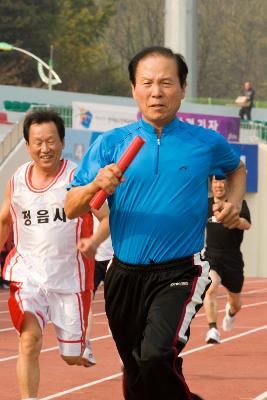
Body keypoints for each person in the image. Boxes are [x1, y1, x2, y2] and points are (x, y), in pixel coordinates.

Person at [64, 46, 247, 400]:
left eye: (166, 83)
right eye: (147, 83)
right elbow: (71, 207)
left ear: (182, 87)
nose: (156, 92)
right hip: (124, 274)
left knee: (155, 356)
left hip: (179, 272)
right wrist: (95, 185)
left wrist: (235, 202)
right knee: (138, 372)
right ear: (134, 89)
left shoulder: (204, 142)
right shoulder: (110, 144)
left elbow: (235, 167)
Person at [0, 109, 109, 400]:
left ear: (62, 142)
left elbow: (107, 218)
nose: (44, 148)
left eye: (50, 141)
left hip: (70, 281)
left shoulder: (78, 178)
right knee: (29, 339)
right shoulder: (18, 179)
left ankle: (78, 347)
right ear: (27, 146)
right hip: (28, 274)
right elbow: (4, 220)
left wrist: (94, 241)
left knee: (71, 356)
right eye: (37, 142)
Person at [204, 176, 251, 344]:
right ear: (212, 184)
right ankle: (212, 329)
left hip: (233, 259)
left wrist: (233, 219)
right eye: (216, 181)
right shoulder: (207, 204)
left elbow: (247, 224)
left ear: (228, 184)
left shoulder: (237, 204)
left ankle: (230, 313)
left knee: (236, 303)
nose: (219, 185)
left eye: (222, 181)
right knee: (211, 286)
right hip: (212, 256)